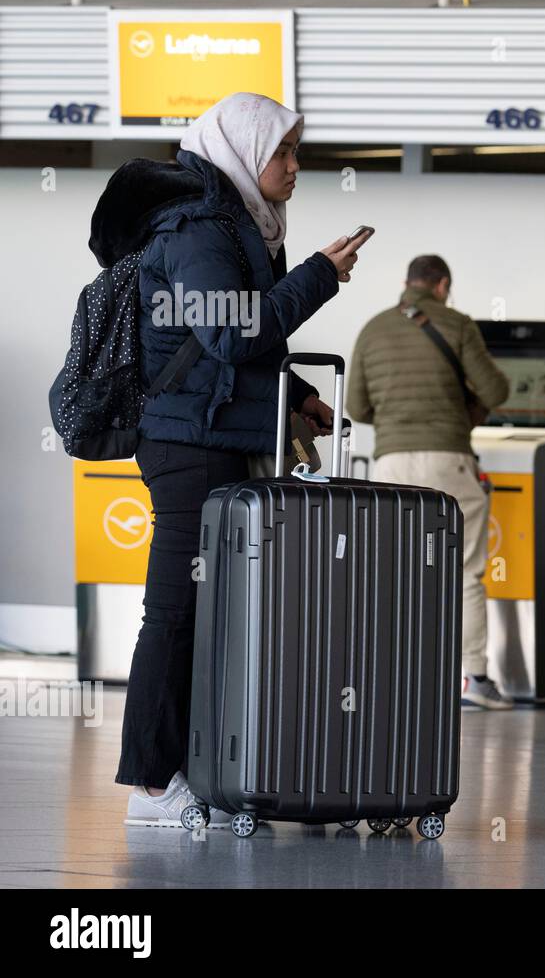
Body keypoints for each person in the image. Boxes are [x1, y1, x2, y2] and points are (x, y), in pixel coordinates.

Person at [104, 92, 370, 827]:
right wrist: (317, 274)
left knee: (217, 614)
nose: (294, 168)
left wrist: (300, 396)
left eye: (296, 153)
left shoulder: (239, 225)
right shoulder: (196, 227)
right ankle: (151, 787)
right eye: (282, 152)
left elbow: (249, 343)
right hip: (189, 444)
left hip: (218, 433)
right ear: (243, 152)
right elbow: (229, 333)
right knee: (178, 612)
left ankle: (195, 764)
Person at [346, 256, 512, 709]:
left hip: (391, 465)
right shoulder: (457, 325)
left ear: (406, 284)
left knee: (392, 571)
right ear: (442, 286)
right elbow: (496, 391)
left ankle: (390, 675)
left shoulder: (373, 329)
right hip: (448, 460)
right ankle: (474, 678)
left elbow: (357, 408)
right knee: (465, 570)